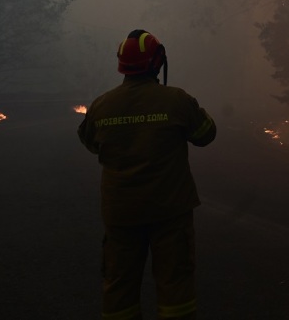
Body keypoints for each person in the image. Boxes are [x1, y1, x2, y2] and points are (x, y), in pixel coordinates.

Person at [78, 29, 216, 320]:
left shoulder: (102, 105)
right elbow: (206, 135)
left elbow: (91, 143)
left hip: (121, 213)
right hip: (170, 210)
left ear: (121, 65)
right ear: (157, 62)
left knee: (119, 286)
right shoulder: (176, 100)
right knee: (175, 284)